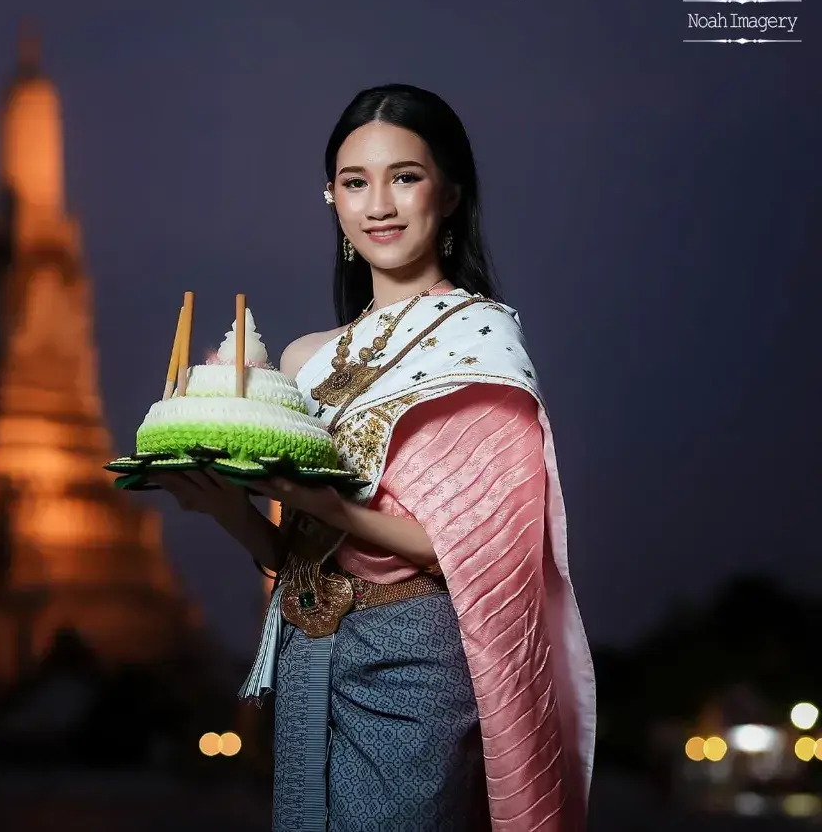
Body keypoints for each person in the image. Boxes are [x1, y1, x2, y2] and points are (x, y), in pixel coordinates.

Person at [155, 84, 595, 831]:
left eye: (406, 177)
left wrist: (331, 505)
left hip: (415, 657)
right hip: (306, 649)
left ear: (450, 194)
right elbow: (292, 552)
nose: (379, 204)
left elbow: (485, 554)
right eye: (356, 183)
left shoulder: (479, 341)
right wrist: (223, 505)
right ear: (331, 199)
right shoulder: (304, 359)